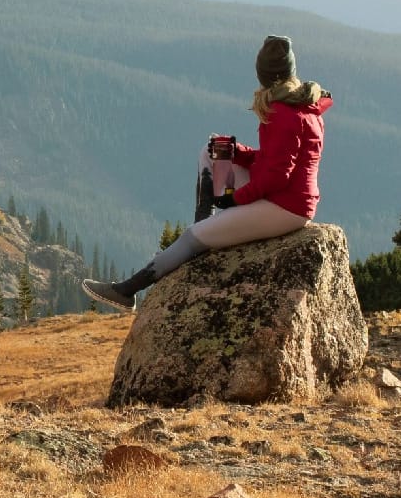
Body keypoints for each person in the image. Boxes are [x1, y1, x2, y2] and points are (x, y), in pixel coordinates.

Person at [81, 35, 332, 312]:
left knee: (190, 237)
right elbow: (274, 160)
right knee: (212, 151)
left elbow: (277, 176)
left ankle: (126, 291)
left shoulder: (284, 113)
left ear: (264, 74)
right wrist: (239, 151)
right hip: (287, 199)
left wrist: (237, 199)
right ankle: (206, 227)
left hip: (285, 207)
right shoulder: (298, 105)